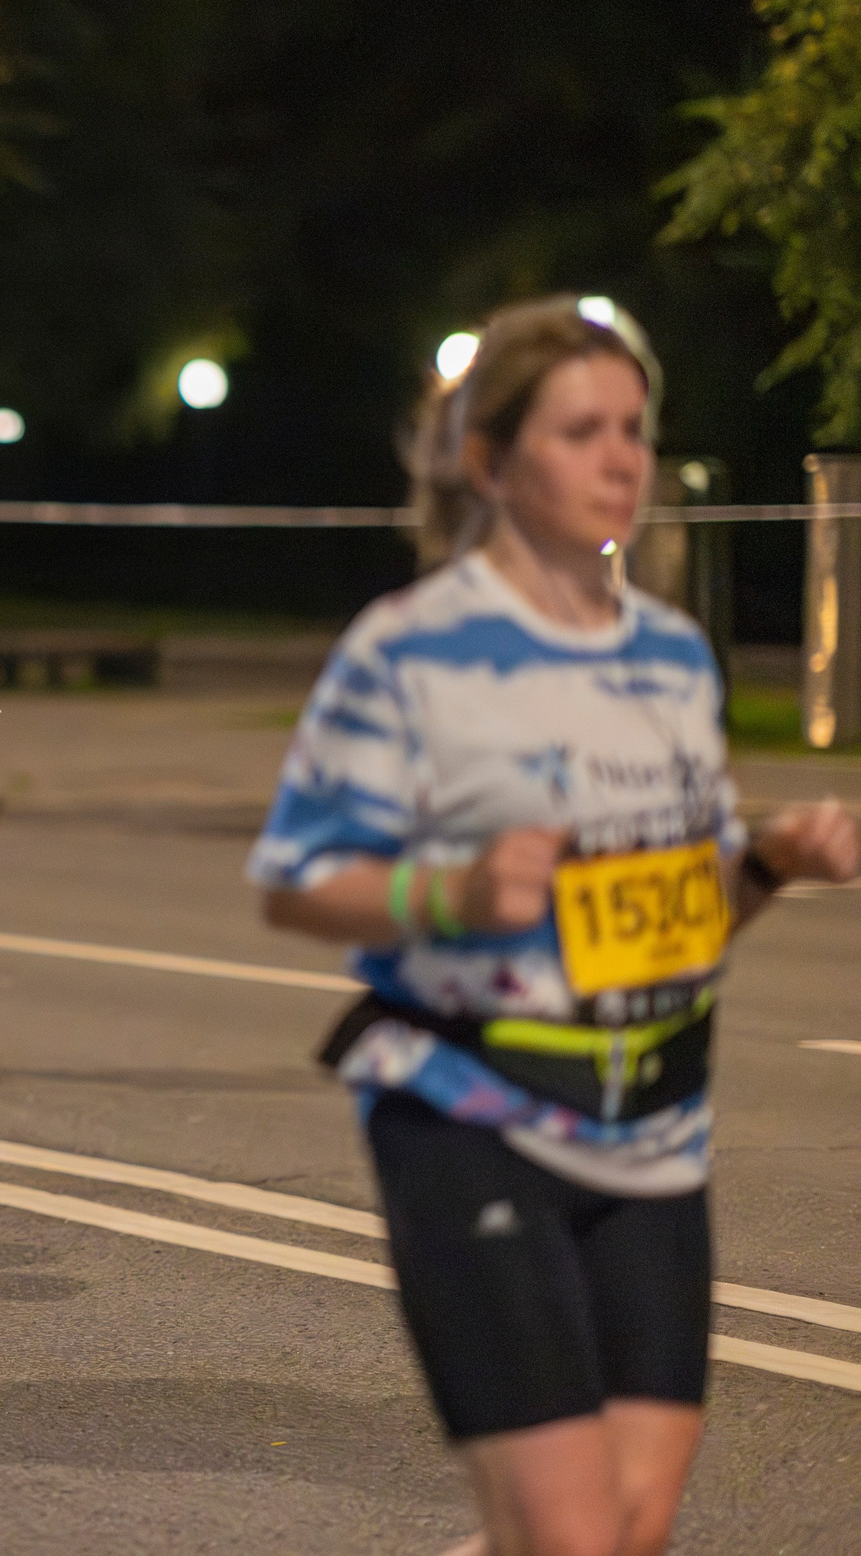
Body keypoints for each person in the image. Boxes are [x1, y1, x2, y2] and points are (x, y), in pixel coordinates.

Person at [250, 295, 858, 1556]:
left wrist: (768, 863)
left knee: (629, 1527)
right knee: (572, 1538)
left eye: (633, 430)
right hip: (472, 1115)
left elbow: (679, 925)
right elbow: (295, 881)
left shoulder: (673, 660)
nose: (620, 459)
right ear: (489, 462)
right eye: (581, 432)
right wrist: (451, 893)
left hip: (654, 1130)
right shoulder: (409, 651)